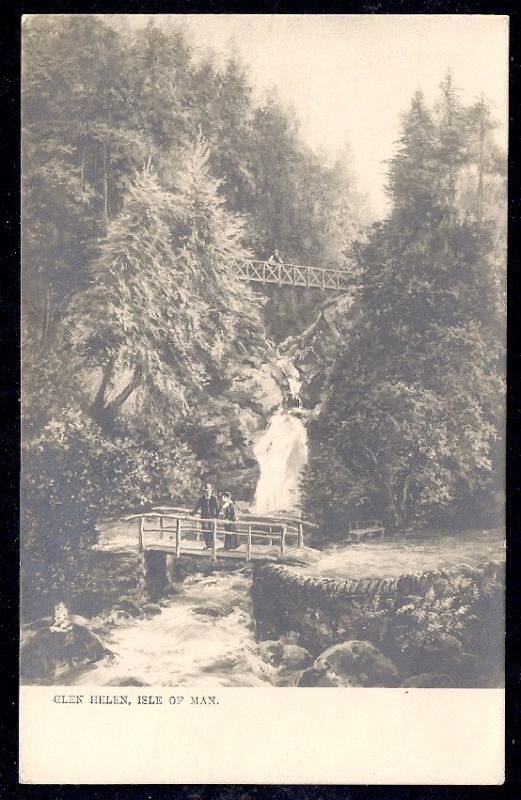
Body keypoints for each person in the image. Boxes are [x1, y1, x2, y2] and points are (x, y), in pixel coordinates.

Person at [190, 483, 220, 549]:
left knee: (212, 530)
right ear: (204, 491)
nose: (208, 492)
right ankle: (207, 545)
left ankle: (212, 545)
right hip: (204, 517)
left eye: (209, 490)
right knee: (205, 530)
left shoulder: (213, 498)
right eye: (206, 490)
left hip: (212, 518)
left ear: (211, 490)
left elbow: (218, 509)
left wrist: (216, 517)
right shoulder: (201, 499)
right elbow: (196, 509)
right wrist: (190, 515)